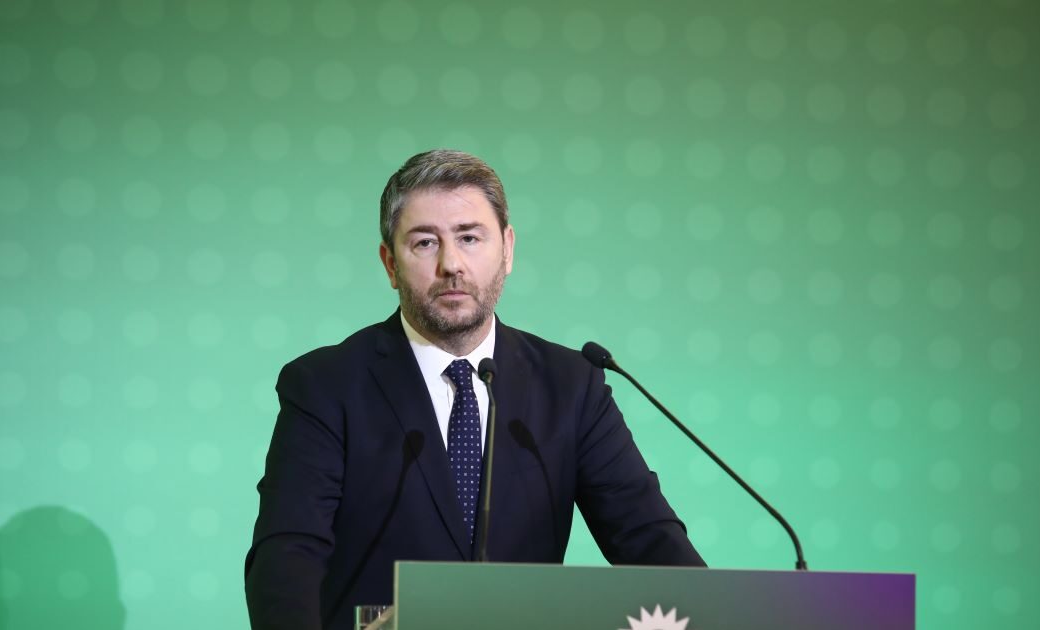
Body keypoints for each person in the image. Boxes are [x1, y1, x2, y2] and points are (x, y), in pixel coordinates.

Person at [244, 149, 704, 630]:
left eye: (469, 237)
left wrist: (713, 613)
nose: (451, 264)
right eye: (425, 243)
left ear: (507, 249)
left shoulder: (571, 384)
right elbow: (287, 556)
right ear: (390, 263)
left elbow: (648, 539)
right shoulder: (325, 385)